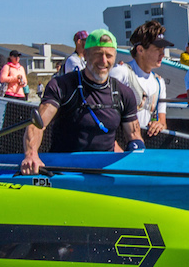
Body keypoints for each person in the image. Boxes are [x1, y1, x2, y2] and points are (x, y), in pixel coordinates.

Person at [21, 30, 141, 171]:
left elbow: (134, 137)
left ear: (114, 57)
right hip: (64, 171)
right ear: (85, 54)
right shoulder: (62, 86)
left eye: (109, 55)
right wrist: (31, 155)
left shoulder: (123, 93)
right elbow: (37, 124)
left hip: (103, 172)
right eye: (98, 54)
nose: (104, 61)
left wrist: (139, 160)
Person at [111, 21, 173, 137]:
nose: (162, 54)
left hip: (144, 146)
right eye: (158, 49)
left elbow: (163, 123)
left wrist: (159, 125)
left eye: (163, 49)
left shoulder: (160, 83)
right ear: (140, 50)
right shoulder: (121, 72)